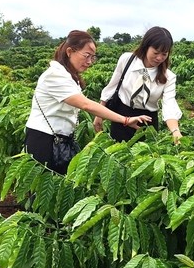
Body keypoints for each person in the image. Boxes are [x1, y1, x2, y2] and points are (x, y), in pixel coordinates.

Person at [25, 30, 152, 174]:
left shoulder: (69, 76)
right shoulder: (55, 75)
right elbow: (86, 104)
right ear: (69, 51)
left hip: (60, 140)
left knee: (61, 188)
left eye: (93, 57)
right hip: (44, 141)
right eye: (86, 56)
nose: (90, 62)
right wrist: (125, 119)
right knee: (42, 190)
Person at [93, 26, 183, 143]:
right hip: (122, 116)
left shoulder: (168, 77)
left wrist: (175, 131)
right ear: (146, 47)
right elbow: (112, 86)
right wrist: (99, 114)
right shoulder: (126, 60)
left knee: (145, 156)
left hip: (147, 122)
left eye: (164, 54)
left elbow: (169, 104)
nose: (159, 58)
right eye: (156, 53)